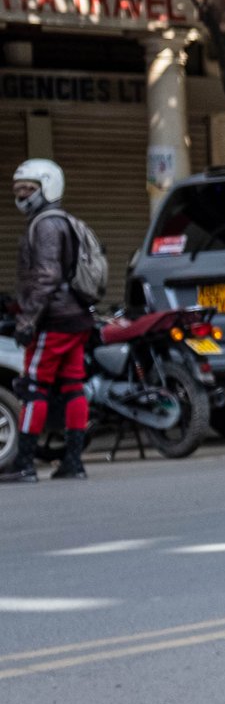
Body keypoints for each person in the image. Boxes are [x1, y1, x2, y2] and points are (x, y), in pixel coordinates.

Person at [6, 157, 97, 482]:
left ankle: (25, 464)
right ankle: (74, 463)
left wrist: (28, 320)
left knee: (33, 387)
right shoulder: (64, 220)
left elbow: (46, 275)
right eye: (18, 190)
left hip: (53, 319)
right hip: (75, 318)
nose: (22, 196)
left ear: (48, 187)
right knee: (73, 386)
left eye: (29, 188)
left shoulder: (44, 224)